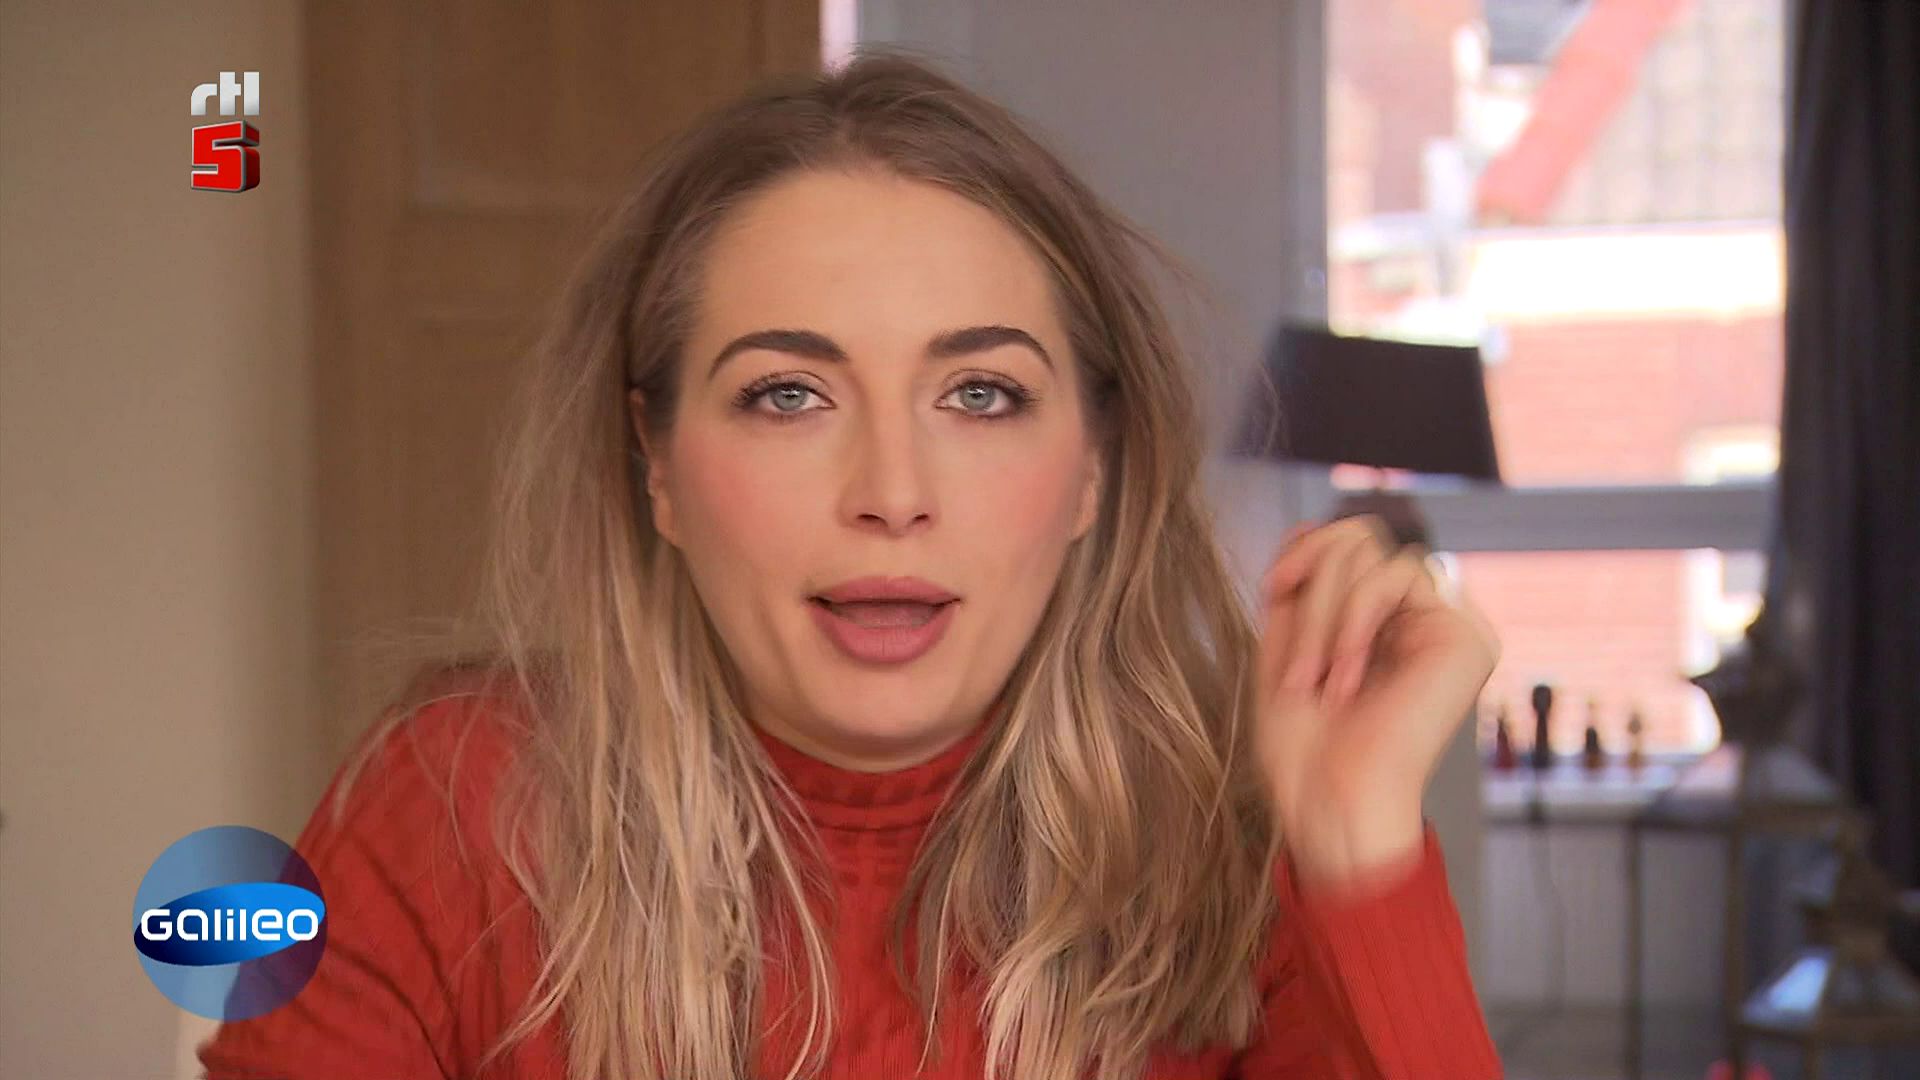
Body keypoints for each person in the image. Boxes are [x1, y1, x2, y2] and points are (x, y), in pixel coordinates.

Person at [198, 51, 1504, 1080]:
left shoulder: (1239, 852)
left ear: (1092, 472)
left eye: (981, 395)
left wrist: (1357, 859)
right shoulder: (449, 809)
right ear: (657, 464)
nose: (891, 493)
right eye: (788, 395)